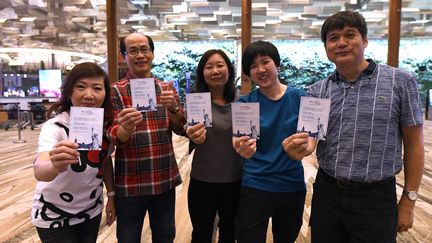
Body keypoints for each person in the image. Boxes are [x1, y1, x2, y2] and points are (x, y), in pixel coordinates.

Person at [283, 11, 425, 243]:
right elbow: (310, 139)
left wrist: (408, 201)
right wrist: (299, 148)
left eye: (350, 35)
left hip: (376, 198)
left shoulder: (400, 81)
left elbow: (414, 144)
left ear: (365, 40)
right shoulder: (318, 91)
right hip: (328, 194)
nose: (341, 43)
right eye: (333, 38)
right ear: (326, 47)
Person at [107, 33, 186, 243]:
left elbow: (181, 128)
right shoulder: (116, 91)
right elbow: (113, 134)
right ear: (124, 56)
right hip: (130, 183)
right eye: (133, 51)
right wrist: (125, 128)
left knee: (165, 236)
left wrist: (174, 108)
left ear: (152, 53)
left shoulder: (165, 89)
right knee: (128, 238)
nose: (140, 55)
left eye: (144, 49)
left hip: (164, 179)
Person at [31, 62, 116, 243]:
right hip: (54, 215)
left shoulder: (104, 127)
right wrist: (54, 164)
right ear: (69, 92)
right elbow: (40, 169)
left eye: (97, 88)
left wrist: (111, 196)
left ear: (105, 94)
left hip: (90, 211)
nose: (89, 95)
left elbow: (105, 161)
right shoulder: (55, 127)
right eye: (80, 87)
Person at [232, 41, 307, 243]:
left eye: (265, 62)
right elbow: (237, 139)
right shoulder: (246, 103)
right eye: (253, 66)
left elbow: (311, 139)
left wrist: (305, 148)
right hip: (256, 184)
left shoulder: (300, 98)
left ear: (277, 65)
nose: (260, 69)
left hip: (291, 185)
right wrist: (240, 147)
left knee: (286, 238)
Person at [185, 49, 243, 243]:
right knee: (201, 233)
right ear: (202, 72)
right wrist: (191, 133)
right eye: (209, 67)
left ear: (229, 70)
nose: (215, 70)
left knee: (230, 233)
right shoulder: (196, 102)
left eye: (220, 65)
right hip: (202, 180)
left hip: (235, 180)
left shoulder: (242, 103)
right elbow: (189, 127)